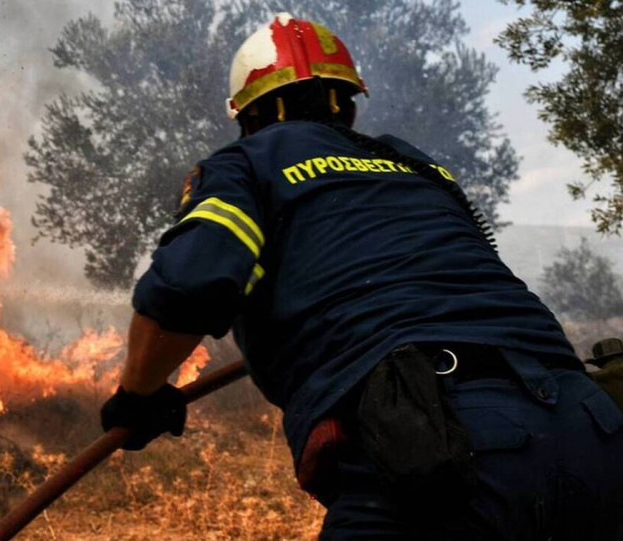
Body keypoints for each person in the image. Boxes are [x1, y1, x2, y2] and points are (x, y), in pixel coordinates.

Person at [100, 12, 623, 540]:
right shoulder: (413, 166)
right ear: (347, 106)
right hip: (594, 428)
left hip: (441, 443)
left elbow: (189, 284)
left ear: (249, 117)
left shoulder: (245, 165)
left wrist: (138, 395)